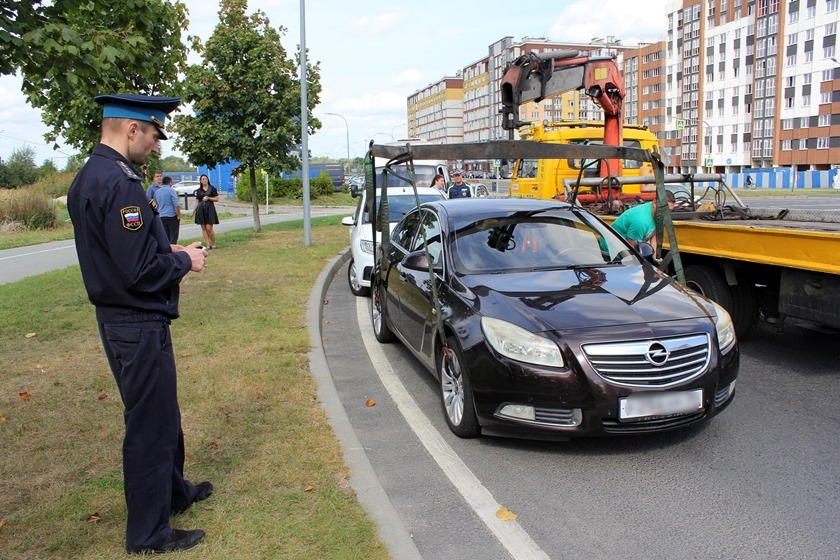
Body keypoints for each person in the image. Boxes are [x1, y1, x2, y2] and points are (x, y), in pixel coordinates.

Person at [66, 93, 212, 555]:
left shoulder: (90, 177)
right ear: (132, 129)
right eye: (152, 135)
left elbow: (120, 253)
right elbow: (138, 271)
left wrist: (164, 251)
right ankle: (150, 533)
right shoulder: (122, 184)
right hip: (136, 320)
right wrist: (184, 260)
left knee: (162, 414)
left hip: (121, 319)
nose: (155, 146)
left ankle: (174, 494)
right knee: (150, 424)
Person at [611, 190, 676, 256]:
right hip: (612, 251)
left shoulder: (660, 214)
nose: (667, 213)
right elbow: (631, 247)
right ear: (655, 204)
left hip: (628, 247)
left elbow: (654, 236)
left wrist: (653, 259)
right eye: (665, 210)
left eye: (670, 210)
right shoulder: (641, 221)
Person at [194, 174, 219, 249]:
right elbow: (197, 201)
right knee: (203, 228)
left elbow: (217, 199)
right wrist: (193, 212)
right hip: (201, 210)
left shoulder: (212, 188)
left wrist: (209, 198)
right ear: (201, 181)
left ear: (208, 180)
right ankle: (208, 244)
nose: (205, 180)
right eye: (203, 179)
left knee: (209, 228)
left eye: (206, 179)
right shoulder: (199, 190)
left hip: (209, 209)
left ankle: (213, 243)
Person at [155, 175, 181, 244]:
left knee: (166, 235)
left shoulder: (157, 192)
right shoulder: (171, 190)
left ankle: (167, 250)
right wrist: (178, 215)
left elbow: (156, 204)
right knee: (173, 235)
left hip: (161, 216)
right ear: (169, 182)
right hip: (171, 215)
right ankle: (173, 249)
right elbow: (176, 204)